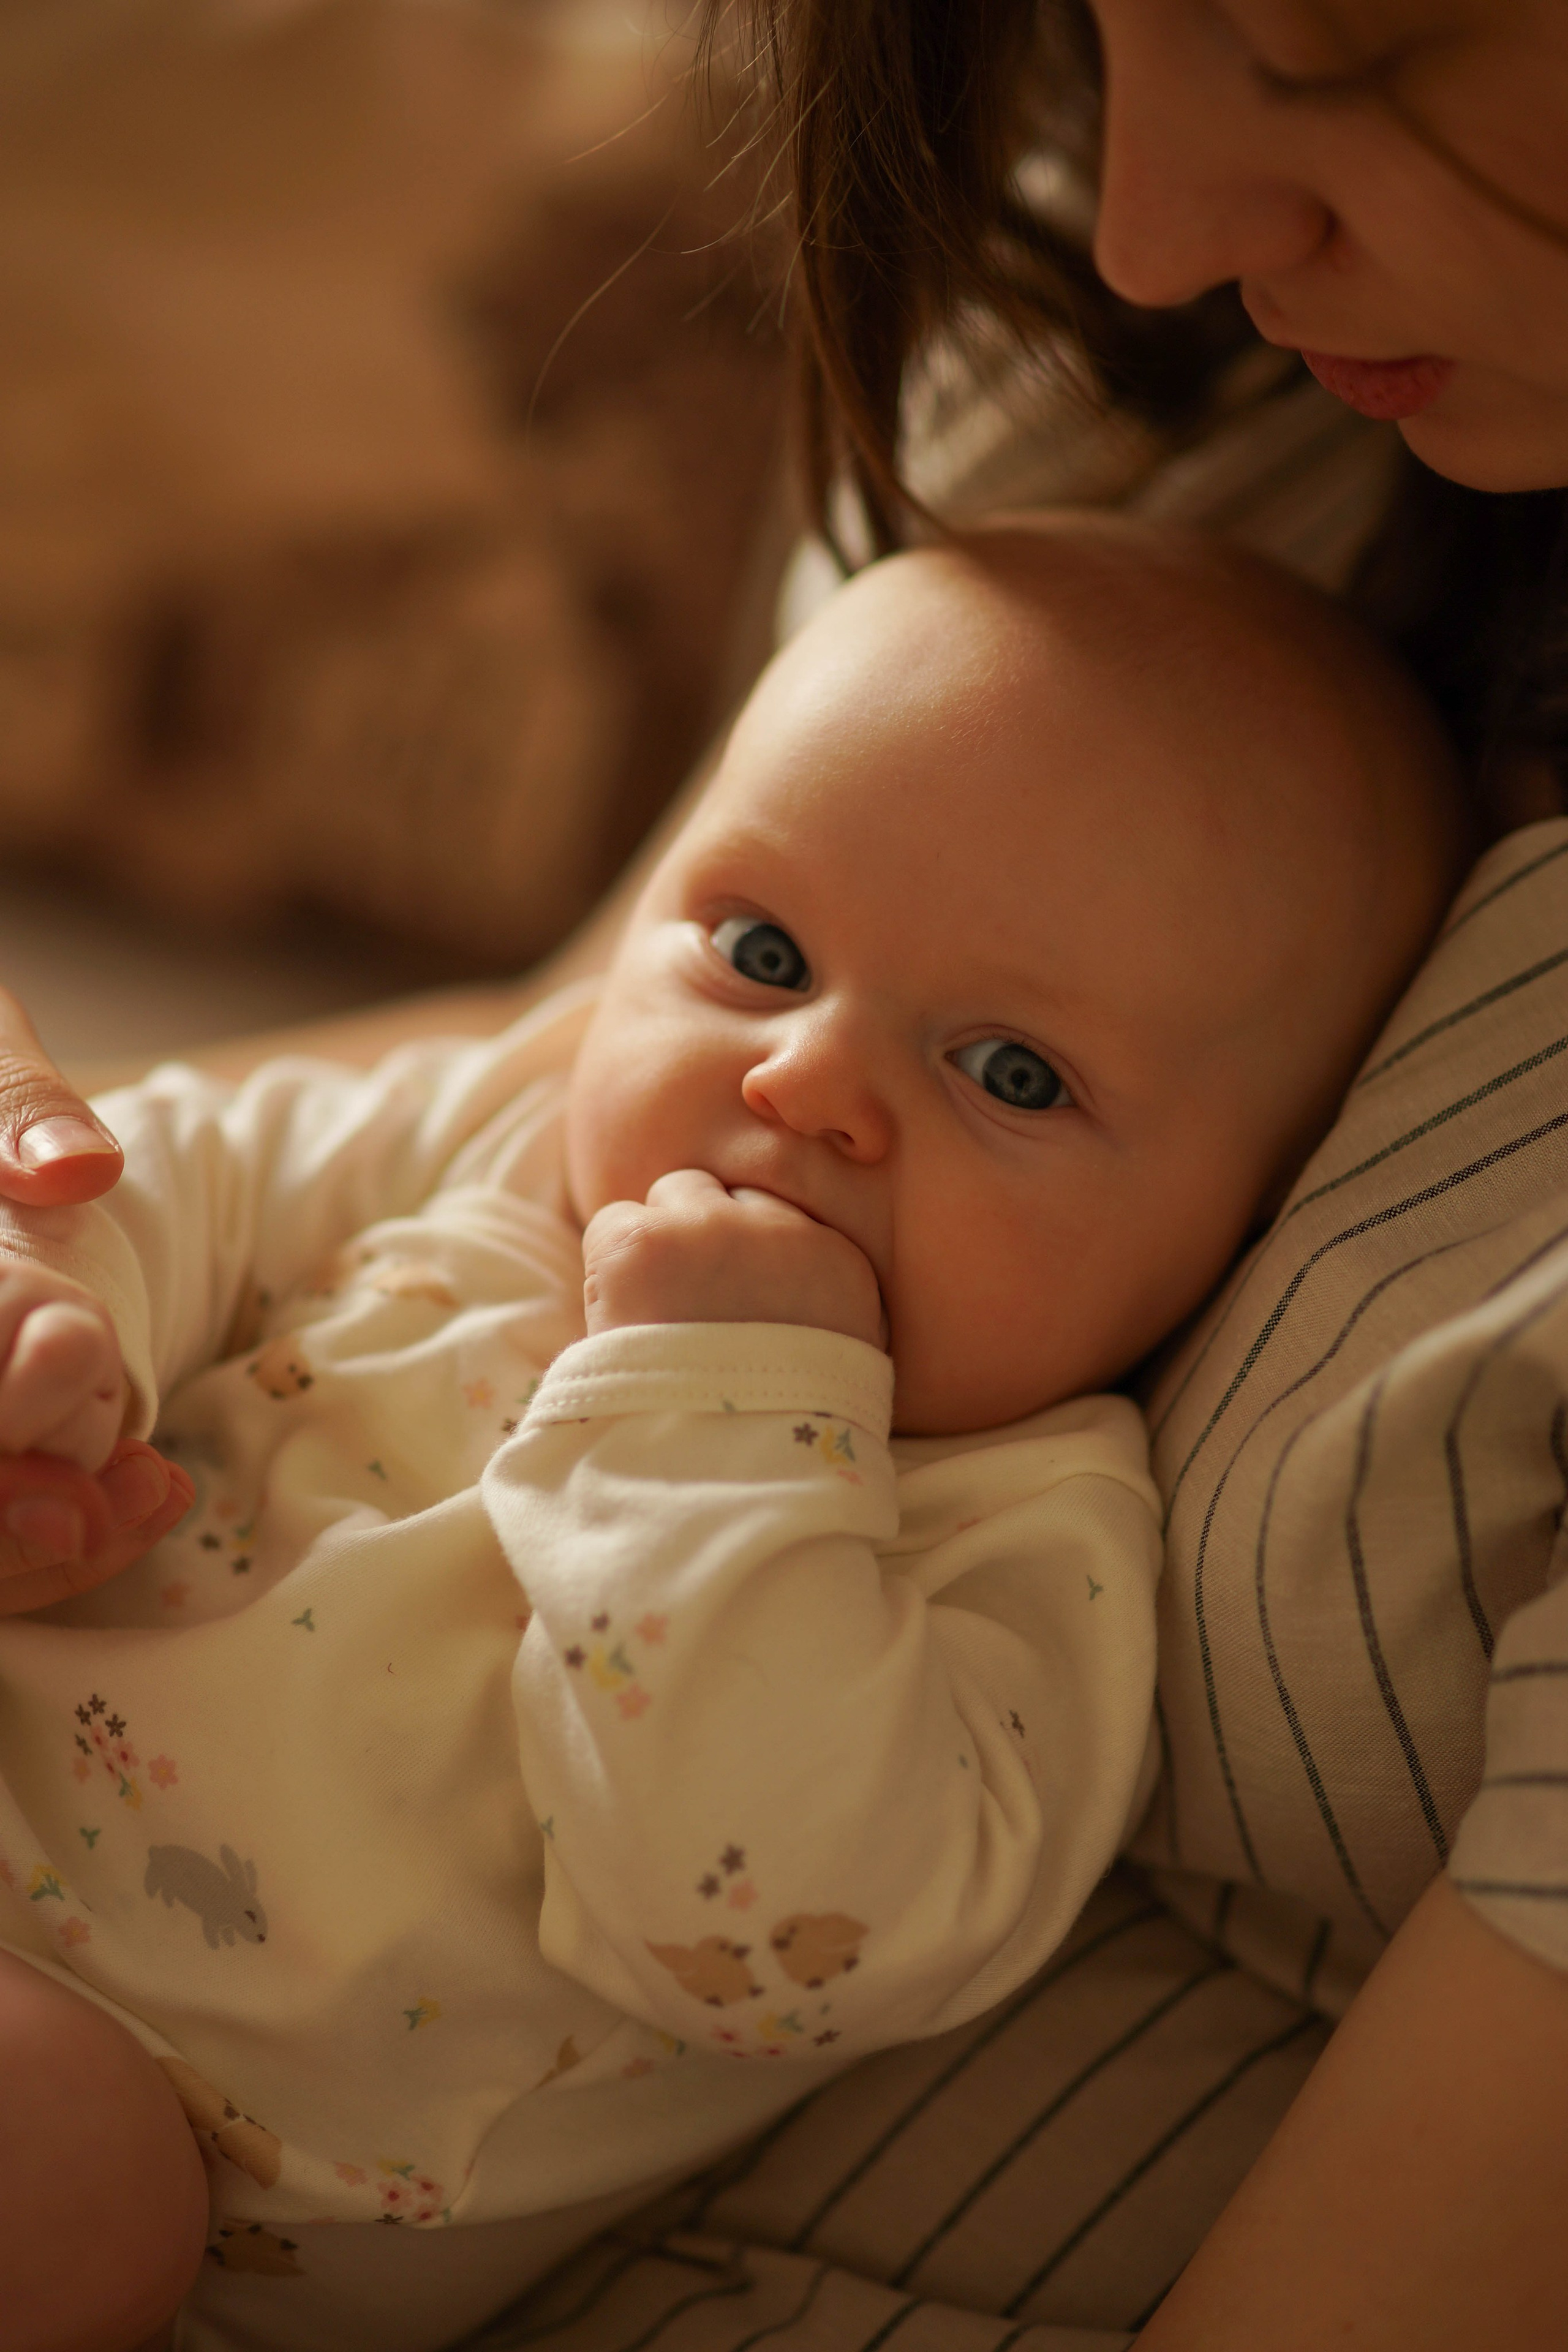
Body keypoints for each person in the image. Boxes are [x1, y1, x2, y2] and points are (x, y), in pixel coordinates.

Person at [6, 2, 1568, 2346]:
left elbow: (750, 1927)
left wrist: (730, 1424)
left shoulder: (1023, 1567)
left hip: (156, 2140)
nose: (808, 1083)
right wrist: (55, 1320)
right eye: (756, 947)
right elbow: (200, 1166)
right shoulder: (527, 1141)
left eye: (1013, 1077)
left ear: (1236, 1246)